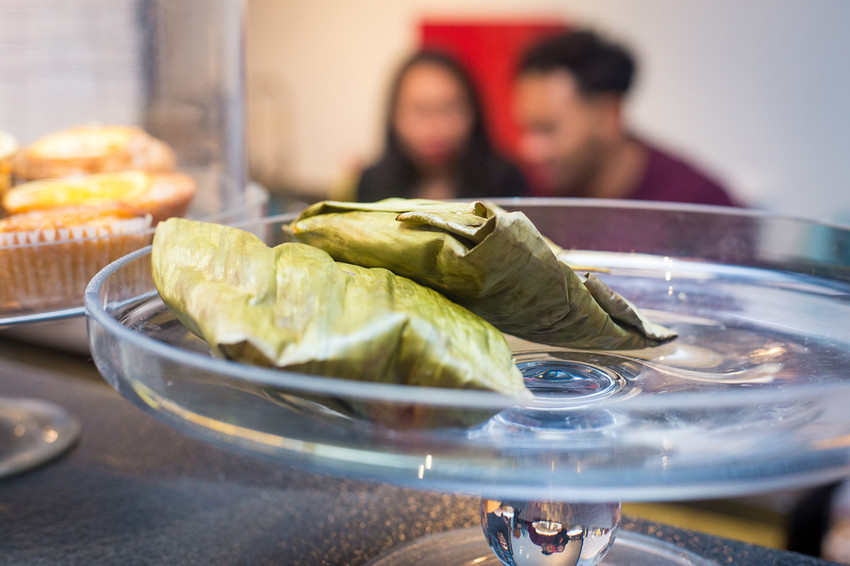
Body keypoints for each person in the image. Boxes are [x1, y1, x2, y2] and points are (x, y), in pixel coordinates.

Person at [514, 29, 738, 206]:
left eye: (548, 129)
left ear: (609, 115)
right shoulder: (536, 199)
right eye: (527, 129)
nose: (531, 149)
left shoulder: (693, 201)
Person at [357, 50, 529, 201]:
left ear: (473, 112)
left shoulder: (505, 180)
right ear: (394, 116)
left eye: (450, 109)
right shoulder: (373, 182)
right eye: (420, 111)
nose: (436, 127)